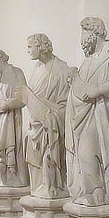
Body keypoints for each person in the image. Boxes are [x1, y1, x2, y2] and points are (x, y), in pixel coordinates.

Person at [65, 17, 109, 206]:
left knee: (88, 151)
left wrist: (97, 90)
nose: (82, 39)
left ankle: (97, 191)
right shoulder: (88, 59)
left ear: (94, 33)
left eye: (84, 33)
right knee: (82, 154)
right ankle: (88, 191)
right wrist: (73, 77)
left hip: (97, 111)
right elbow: (80, 88)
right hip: (80, 114)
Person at [21, 33, 71, 198]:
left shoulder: (61, 68)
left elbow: (65, 102)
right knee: (34, 157)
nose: (28, 50)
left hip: (51, 121)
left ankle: (52, 186)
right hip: (35, 123)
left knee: (49, 155)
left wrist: (51, 113)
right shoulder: (37, 68)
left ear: (40, 46)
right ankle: (39, 186)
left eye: (30, 47)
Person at [0, 49, 28, 187]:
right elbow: (1, 99)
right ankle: (2, 177)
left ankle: (12, 175)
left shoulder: (16, 73)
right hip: (0, 120)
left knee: (10, 147)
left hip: (11, 120)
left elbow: (24, 98)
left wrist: (8, 104)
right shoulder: (1, 77)